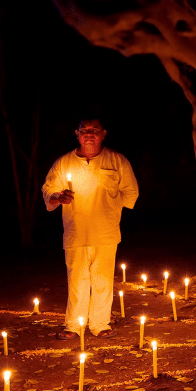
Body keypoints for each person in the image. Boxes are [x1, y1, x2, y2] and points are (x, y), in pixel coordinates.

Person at [42, 119, 139, 340]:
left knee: (103, 280)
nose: (89, 134)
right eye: (84, 130)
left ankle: (100, 324)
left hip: (106, 231)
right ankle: (74, 326)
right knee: (77, 280)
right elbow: (49, 189)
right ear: (77, 133)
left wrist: (110, 206)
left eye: (94, 130)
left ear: (103, 134)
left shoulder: (117, 161)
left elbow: (130, 192)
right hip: (76, 231)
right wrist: (59, 197)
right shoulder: (64, 163)